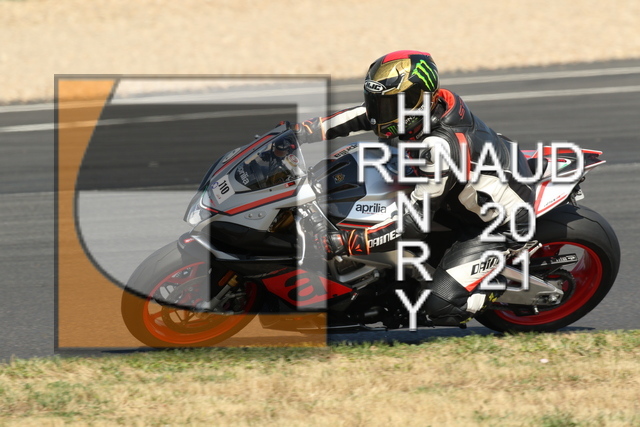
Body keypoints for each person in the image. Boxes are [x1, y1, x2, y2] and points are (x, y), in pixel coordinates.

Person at [292, 50, 535, 327]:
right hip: (459, 191)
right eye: (377, 103)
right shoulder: (424, 107)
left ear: (417, 100)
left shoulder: (440, 145)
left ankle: (496, 284)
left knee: (438, 308)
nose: (378, 113)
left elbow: (414, 223)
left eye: (387, 105)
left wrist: (347, 242)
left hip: (494, 223)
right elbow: (362, 116)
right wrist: (302, 132)